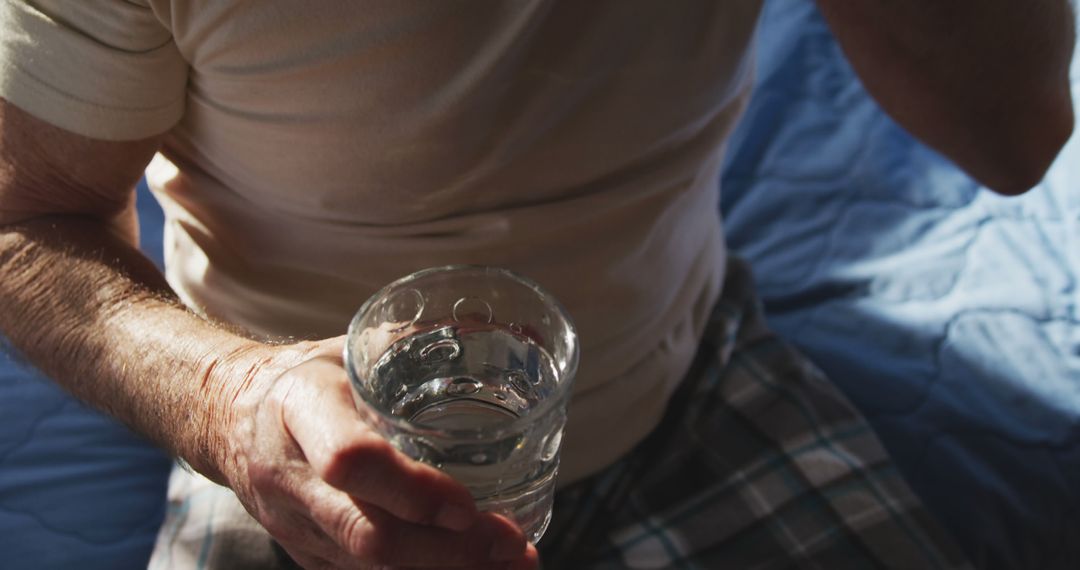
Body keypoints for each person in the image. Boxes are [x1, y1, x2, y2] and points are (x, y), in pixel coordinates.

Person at [0, 1, 1073, 568]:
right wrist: (229, 406)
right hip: (299, 467)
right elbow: (21, 220)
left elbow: (1017, 134)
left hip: (690, 384)